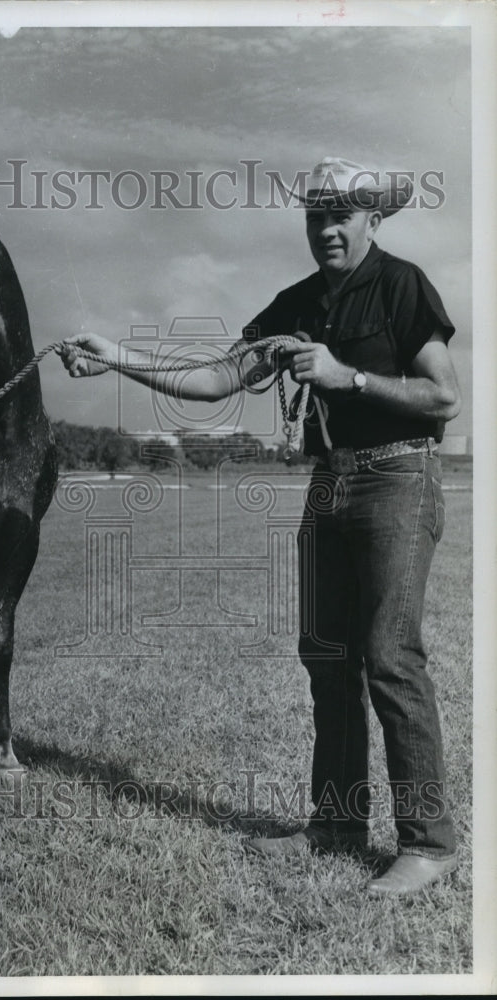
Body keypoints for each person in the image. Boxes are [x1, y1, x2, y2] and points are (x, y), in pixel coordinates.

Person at [59, 157, 461, 897]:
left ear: (373, 220)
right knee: (327, 654)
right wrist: (116, 358)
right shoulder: (298, 302)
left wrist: (350, 378)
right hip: (330, 480)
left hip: (400, 476)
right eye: (317, 215)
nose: (328, 229)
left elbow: (444, 397)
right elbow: (215, 377)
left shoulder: (403, 285)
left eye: (342, 215)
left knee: (389, 655)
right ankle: (336, 823)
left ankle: (429, 843)